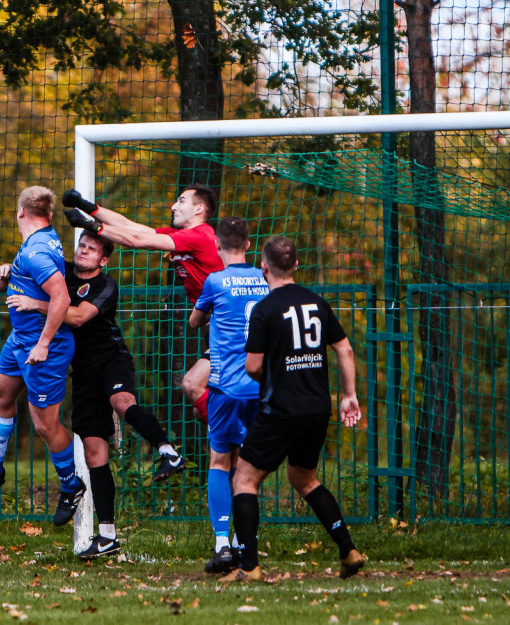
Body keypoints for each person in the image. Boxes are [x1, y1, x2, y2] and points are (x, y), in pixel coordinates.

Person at [4, 232, 187, 560]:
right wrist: (8, 269)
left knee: (122, 403)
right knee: (94, 454)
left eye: (92, 248)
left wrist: (35, 304)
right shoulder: (62, 272)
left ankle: (167, 451)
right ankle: (107, 536)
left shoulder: (106, 285)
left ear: (103, 260)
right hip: (84, 374)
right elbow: (31, 270)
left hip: (111, 361)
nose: (84, 250)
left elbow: (75, 316)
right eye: (82, 246)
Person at [222, 236, 365, 582]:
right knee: (304, 477)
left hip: (281, 408)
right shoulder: (317, 302)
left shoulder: (265, 309)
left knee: (244, 479)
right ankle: (349, 551)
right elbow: (344, 350)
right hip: (317, 408)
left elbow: (253, 366)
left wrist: (275, 372)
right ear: (297, 266)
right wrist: (349, 395)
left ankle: (249, 567)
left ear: (264, 267)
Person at [0, 186, 85, 526]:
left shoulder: (37, 251)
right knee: (0, 394)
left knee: (44, 423)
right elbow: (21, 279)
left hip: (44, 345)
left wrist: (43, 343)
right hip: (19, 339)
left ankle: (72, 485)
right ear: (50, 214)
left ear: (20, 213)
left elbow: (61, 298)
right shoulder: (38, 241)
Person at [63, 185, 224, 423]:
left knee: (195, 387)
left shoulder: (199, 236)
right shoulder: (183, 235)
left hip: (231, 325)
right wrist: (89, 207)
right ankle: (231, 442)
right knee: (205, 403)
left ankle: (236, 436)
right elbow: (132, 227)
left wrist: (91, 226)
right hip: (220, 327)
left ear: (199, 208)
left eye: (181, 201)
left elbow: (136, 240)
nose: (173, 206)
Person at [188, 217, 268, 573]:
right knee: (247, 469)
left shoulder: (215, 280)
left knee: (220, 462)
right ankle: (242, 542)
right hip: (260, 388)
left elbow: (195, 321)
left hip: (226, 386)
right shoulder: (265, 281)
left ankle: (222, 542)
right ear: (249, 245)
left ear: (218, 246)